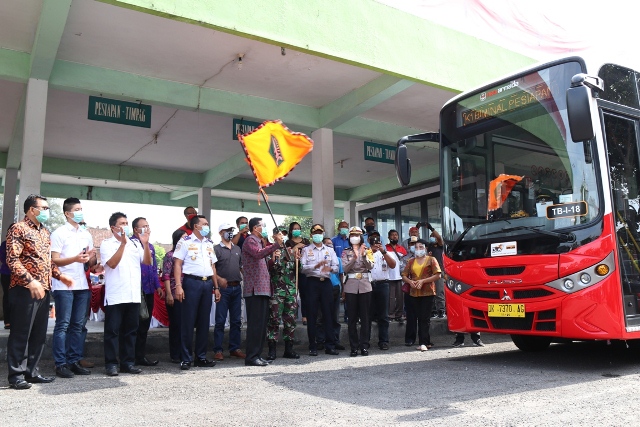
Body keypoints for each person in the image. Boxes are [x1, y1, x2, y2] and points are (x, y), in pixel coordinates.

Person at [6, 195, 74, 389]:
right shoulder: (18, 228)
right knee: (21, 333)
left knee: (38, 334)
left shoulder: (44, 232)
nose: (46, 211)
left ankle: (32, 372)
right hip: (23, 289)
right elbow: (13, 259)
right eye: (43, 208)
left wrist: (60, 276)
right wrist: (30, 281)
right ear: (31, 210)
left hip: (44, 289)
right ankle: (16, 375)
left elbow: (47, 262)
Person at [100, 212, 153, 376]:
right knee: (112, 331)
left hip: (133, 294)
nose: (125, 226)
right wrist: (122, 244)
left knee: (130, 331)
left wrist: (145, 244)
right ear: (113, 227)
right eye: (122, 223)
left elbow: (147, 262)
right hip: (116, 295)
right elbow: (112, 264)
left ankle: (127, 362)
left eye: (126, 223)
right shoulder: (106, 244)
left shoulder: (135, 244)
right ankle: (111, 364)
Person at [50, 197, 96, 379]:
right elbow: (54, 259)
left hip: (82, 284)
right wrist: (75, 259)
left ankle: (74, 360)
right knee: (63, 325)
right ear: (67, 213)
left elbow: (90, 261)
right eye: (77, 209)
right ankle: (60, 363)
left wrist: (92, 258)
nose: (80, 212)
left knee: (78, 324)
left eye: (81, 209)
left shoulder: (86, 234)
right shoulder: (59, 233)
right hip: (64, 285)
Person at [173, 215, 221, 370]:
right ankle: (186, 358)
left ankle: (200, 356)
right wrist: (179, 285)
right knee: (188, 321)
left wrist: (216, 287)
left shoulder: (208, 244)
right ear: (195, 226)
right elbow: (178, 264)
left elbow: (213, 266)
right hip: (191, 283)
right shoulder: (185, 242)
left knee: (204, 321)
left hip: (207, 284)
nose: (207, 226)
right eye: (204, 224)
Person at [242, 218, 283, 366]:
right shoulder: (250, 241)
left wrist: (273, 257)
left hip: (263, 289)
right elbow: (258, 254)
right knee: (255, 325)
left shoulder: (260, 242)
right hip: (255, 289)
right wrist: (276, 244)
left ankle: (257, 355)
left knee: (261, 325)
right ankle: (251, 356)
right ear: (255, 228)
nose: (264, 228)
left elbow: (264, 264)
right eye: (262, 225)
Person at [301, 224, 340, 356]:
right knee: (312, 315)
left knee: (328, 314)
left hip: (326, 283)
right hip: (312, 283)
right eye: (315, 233)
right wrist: (316, 266)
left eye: (320, 233)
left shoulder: (329, 250)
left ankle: (330, 345)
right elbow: (303, 267)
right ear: (311, 235)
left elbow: (336, 267)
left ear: (323, 234)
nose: (318, 235)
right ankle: (313, 346)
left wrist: (328, 269)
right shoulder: (306, 250)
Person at [131, 217, 164, 366]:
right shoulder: (130, 244)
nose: (147, 228)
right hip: (135, 291)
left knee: (144, 326)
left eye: (148, 226)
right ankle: (129, 357)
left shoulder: (150, 247)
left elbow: (153, 269)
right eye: (143, 226)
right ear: (135, 230)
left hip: (149, 290)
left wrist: (158, 287)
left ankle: (140, 356)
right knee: (133, 326)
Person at [266, 227, 301, 360]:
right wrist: (275, 259)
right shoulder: (272, 251)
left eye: (284, 234)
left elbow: (298, 270)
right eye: (280, 234)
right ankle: (272, 349)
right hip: (277, 291)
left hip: (290, 291)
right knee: (274, 320)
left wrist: (297, 260)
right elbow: (270, 269)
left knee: (290, 320)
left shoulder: (291, 252)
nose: (282, 237)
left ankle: (289, 349)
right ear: (274, 236)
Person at [213, 223, 246, 361]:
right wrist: (217, 283)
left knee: (236, 320)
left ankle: (234, 348)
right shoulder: (216, 249)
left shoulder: (237, 248)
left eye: (231, 230)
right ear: (221, 232)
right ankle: (218, 350)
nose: (230, 233)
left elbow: (241, 268)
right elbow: (212, 269)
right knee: (220, 321)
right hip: (223, 289)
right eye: (227, 230)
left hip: (237, 287)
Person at [401, 239, 441, 352]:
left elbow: (438, 274)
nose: (418, 249)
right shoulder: (411, 261)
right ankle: (426, 341)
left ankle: (423, 342)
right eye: (416, 247)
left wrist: (423, 281)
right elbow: (404, 275)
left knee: (425, 318)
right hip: (414, 293)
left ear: (426, 248)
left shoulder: (431, 259)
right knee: (417, 317)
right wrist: (410, 282)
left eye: (421, 247)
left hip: (428, 292)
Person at [341, 227, 374, 357]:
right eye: (352, 234)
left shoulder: (367, 250)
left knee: (365, 317)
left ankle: (364, 346)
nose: (355, 237)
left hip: (365, 285)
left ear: (361, 237)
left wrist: (364, 256)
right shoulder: (346, 252)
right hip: (351, 286)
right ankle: (354, 347)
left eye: (357, 234)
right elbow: (344, 268)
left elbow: (371, 266)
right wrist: (354, 258)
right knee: (352, 318)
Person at [367, 230, 396, 350]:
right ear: (368, 240)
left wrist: (383, 251)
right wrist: (371, 251)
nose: (375, 241)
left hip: (383, 284)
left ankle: (383, 341)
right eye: (372, 238)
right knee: (367, 315)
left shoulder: (386, 252)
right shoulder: (366, 252)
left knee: (383, 315)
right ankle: (365, 341)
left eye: (377, 238)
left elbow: (393, 265)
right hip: (368, 285)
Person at [315, 237, 344, 351]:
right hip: (321, 289)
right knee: (320, 316)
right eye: (327, 244)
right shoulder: (318, 259)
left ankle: (335, 340)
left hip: (335, 288)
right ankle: (320, 340)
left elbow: (341, 275)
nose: (330, 246)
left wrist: (344, 289)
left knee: (334, 317)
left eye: (331, 244)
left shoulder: (337, 259)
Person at [162, 229, 186, 363]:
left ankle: (184, 352)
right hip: (174, 293)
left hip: (186, 293)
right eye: (183, 238)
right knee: (176, 324)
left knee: (185, 325)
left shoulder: (187, 255)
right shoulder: (170, 255)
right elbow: (166, 275)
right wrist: (169, 294)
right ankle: (175, 354)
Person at [419, 222, 446, 318]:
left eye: (434, 236)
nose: (433, 237)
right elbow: (418, 240)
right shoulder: (428, 246)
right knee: (431, 292)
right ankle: (433, 310)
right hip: (429, 272)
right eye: (431, 236)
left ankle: (441, 310)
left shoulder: (440, 245)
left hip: (438, 271)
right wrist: (417, 228)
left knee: (439, 292)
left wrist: (431, 228)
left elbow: (439, 238)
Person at [286, 221, 310, 325]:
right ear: (291, 231)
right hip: (292, 270)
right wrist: (296, 247)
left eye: (298, 228)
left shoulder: (306, 241)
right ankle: (292, 315)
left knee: (305, 293)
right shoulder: (288, 242)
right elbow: (286, 254)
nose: (297, 230)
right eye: (294, 229)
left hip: (303, 270)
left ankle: (305, 316)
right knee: (293, 294)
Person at [386, 229, 407, 324]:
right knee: (390, 297)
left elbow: (406, 262)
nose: (394, 237)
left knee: (400, 297)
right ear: (389, 237)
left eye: (396, 235)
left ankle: (399, 315)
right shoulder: (385, 248)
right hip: (389, 276)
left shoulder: (402, 249)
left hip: (400, 276)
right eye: (392, 235)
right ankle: (390, 315)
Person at [0, 223, 14, 330]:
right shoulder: (4, 244)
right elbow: (2, 258)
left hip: (19, 276)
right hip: (6, 274)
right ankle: (8, 321)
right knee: (7, 297)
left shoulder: (22, 244)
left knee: (17, 297)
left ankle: (17, 320)